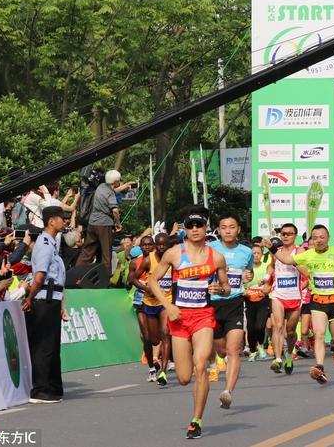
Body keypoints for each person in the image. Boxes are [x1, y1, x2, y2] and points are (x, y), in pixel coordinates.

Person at [148, 210, 230, 439]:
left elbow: (226, 287)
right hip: (179, 319)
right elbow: (153, 280)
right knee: (184, 377)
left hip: (203, 316)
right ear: (185, 228)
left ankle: (196, 420)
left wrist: (219, 290)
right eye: (190, 225)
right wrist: (167, 305)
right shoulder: (174, 253)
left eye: (199, 225)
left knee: (201, 364)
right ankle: (195, 381)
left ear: (206, 228)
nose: (194, 229)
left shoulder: (217, 257)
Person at [271, 224, 334, 384]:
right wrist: (272, 248)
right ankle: (320, 367)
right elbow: (287, 259)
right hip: (317, 301)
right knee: (319, 334)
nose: (318, 240)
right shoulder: (308, 255)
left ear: (328, 238)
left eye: (322, 237)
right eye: (315, 237)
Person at [22, 206, 68, 403]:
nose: (65, 222)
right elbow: (39, 277)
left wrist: (61, 304)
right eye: (62, 218)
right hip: (43, 299)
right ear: (51, 221)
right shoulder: (44, 244)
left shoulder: (52, 243)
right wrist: (30, 298)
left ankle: (54, 387)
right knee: (43, 346)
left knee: (52, 346)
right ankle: (40, 389)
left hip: (53, 299)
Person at [208, 214, 253, 409]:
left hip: (235, 302)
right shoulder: (210, 250)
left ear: (238, 230)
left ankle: (228, 391)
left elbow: (248, 274)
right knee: (221, 349)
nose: (228, 230)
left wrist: (248, 276)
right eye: (224, 227)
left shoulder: (246, 252)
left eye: (232, 227)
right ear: (218, 230)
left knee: (234, 349)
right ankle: (220, 358)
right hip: (212, 304)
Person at [130, 231, 173, 386]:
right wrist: (147, 289)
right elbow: (133, 278)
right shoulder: (148, 260)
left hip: (166, 302)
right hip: (148, 302)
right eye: (159, 244)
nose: (161, 247)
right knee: (153, 339)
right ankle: (153, 364)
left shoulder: (173, 260)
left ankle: (163, 371)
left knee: (165, 334)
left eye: (164, 244)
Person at [78, 170, 133, 270]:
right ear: (115, 182)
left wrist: (124, 186)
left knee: (87, 251)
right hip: (104, 224)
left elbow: (111, 191)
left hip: (92, 223)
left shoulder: (100, 187)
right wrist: (118, 224)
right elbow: (115, 210)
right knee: (106, 253)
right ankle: (106, 278)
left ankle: (76, 273)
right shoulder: (110, 194)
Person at [267, 226, 303, 374]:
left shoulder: (299, 251)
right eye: (284, 234)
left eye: (290, 234)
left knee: (290, 331)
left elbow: (304, 269)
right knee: (278, 325)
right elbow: (271, 268)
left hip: (294, 295)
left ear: (295, 235)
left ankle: (289, 354)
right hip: (278, 294)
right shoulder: (276, 252)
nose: (286, 236)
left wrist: (295, 262)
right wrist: (267, 277)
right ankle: (277, 359)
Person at [244, 243, 271, 361]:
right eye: (253, 253)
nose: (255, 255)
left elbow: (270, 282)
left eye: (258, 253)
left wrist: (264, 290)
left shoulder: (266, 266)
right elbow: (239, 284)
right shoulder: (245, 268)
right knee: (250, 327)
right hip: (248, 300)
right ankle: (253, 351)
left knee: (260, 326)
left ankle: (260, 345)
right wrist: (245, 292)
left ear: (262, 254)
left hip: (263, 299)